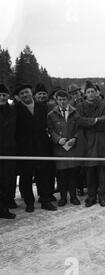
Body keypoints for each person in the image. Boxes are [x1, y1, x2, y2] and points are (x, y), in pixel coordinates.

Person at [15, 84, 57, 212]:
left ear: (31, 92)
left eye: (26, 92)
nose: (25, 95)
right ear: (19, 96)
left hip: (41, 146)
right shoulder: (16, 109)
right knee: (26, 176)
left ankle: (45, 200)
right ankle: (29, 202)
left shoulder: (42, 107)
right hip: (25, 148)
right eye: (22, 93)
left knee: (43, 175)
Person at [77, 81, 105, 207]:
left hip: (102, 142)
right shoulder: (80, 107)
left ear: (97, 93)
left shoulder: (104, 106)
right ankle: (91, 196)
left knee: (102, 170)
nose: (91, 94)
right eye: (88, 92)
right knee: (90, 171)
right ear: (85, 94)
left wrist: (89, 123)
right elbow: (79, 121)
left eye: (92, 91)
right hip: (87, 142)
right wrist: (96, 120)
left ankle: (102, 196)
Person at [47, 89, 82, 207]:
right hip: (59, 149)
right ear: (56, 100)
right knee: (61, 175)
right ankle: (62, 197)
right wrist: (57, 139)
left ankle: (73, 196)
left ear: (68, 100)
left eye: (64, 99)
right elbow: (50, 130)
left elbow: (79, 128)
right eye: (60, 100)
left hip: (72, 148)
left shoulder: (75, 113)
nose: (62, 102)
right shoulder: (51, 115)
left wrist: (75, 138)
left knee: (72, 173)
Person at [0, 84, 17, 219]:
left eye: (4, 95)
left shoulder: (12, 110)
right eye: (0, 95)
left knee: (7, 181)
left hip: (9, 150)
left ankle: (4, 208)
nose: (2, 97)